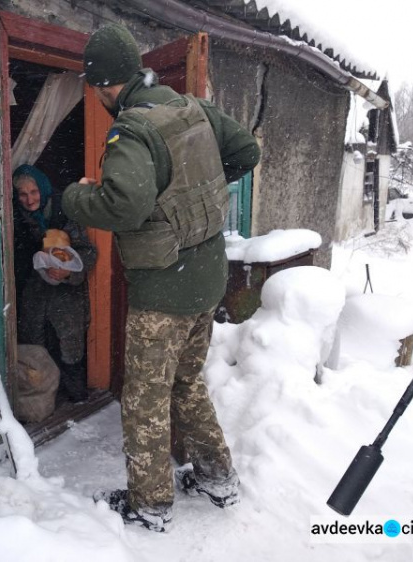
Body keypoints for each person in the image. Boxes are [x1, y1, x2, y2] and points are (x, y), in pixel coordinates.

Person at [62, 24, 261, 531]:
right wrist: (196, 192)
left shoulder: (131, 128)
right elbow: (245, 152)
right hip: (206, 277)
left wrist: (76, 196)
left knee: (146, 396)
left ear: (106, 84)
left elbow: (124, 206)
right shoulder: (192, 107)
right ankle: (218, 476)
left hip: (164, 290)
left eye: (97, 88)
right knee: (186, 382)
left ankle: (150, 503)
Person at [12, 164, 97, 403]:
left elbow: (88, 252)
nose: (29, 200)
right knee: (36, 349)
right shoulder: (14, 219)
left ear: (44, 188)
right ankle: (44, 401)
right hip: (34, 296)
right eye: (23, 194)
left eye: (34, 192)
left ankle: (77, 402)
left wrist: (67, 273)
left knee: (70, 350)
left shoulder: (64, 212)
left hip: (66, 298)